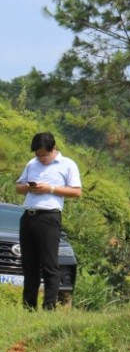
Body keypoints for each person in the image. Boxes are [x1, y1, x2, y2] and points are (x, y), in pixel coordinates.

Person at [14, 132, 83, 310]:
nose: (41, 158)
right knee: (29, 264)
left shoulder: (67, 164)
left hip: (49, 216)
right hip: (28, 216)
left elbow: (76, 192)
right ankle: (29, 307)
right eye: (38, 155)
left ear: (53, 149)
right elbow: (18, 188)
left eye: (44, 154)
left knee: (49, 264)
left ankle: (49, 306)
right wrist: (29, 187)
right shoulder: (32, 164)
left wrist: (50, 188)